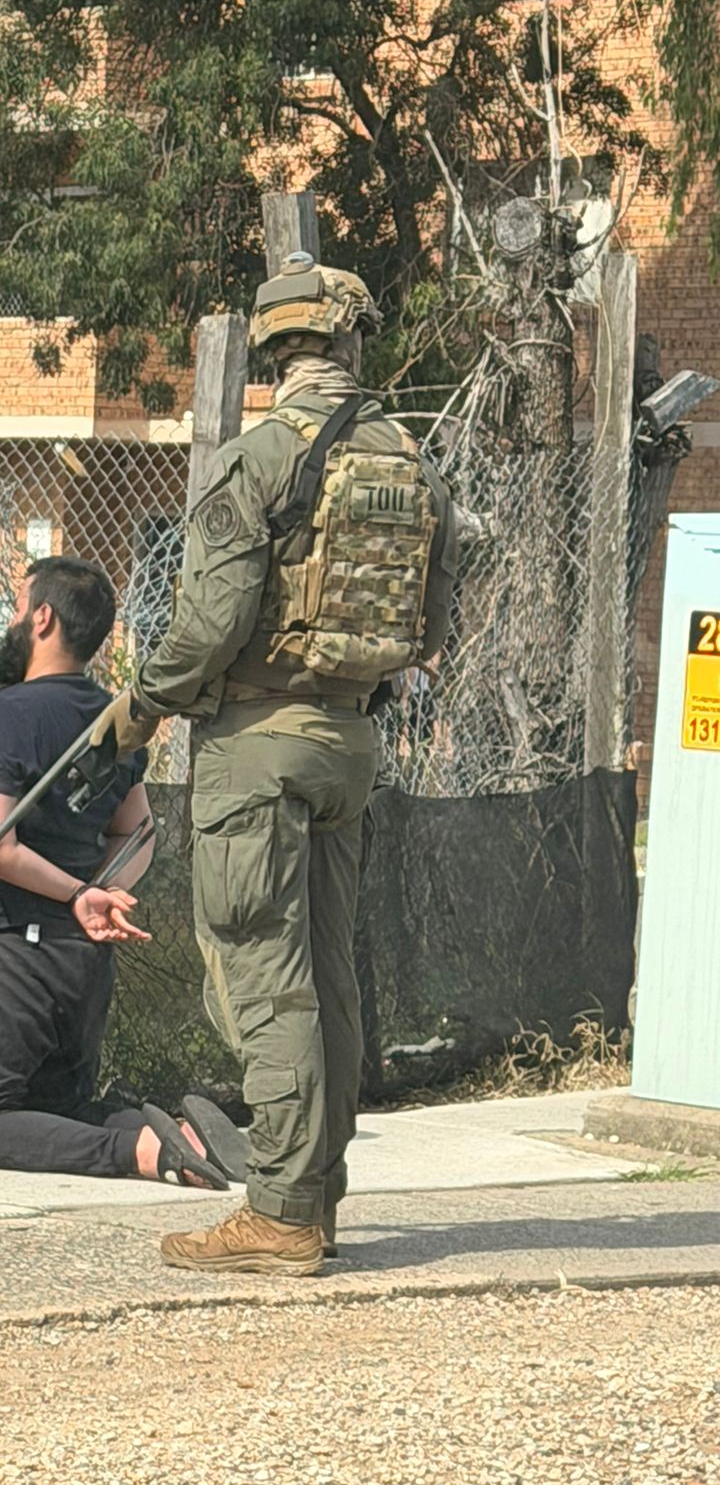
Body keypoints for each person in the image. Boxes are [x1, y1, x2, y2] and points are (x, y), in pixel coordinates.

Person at [89, 253, 460, 1275]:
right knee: (328, 976)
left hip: (258, 748)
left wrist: (139, 707)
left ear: (274, 349)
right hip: (353, 742)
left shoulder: (261, 460)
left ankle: (283, 1211)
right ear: (350, 339)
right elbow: (434, 624)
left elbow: (208, 628)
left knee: (265, 976)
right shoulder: (412, 464)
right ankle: (319, 1196)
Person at [0, 556, 230, 1189]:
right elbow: (140, 829)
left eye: (17, 608)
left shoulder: (2, 715)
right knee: (58, 1111)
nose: (12, 622)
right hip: (82, 966)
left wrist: (76, 895)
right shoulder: (114, 721)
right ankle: (180, 1137)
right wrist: (105, 890)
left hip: (13, 955)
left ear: (42, 618)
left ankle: (141, 1154)